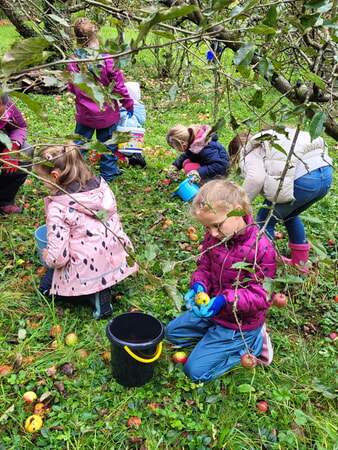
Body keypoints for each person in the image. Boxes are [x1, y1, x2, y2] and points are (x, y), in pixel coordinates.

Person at [166, 180, 277, 383]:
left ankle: (251, 344)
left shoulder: (262, 249)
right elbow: (205, 267)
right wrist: (199, 286)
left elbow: (261, 296)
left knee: (195, 372)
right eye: (208, 228)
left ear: (237, 212)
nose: (213, 233)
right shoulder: (215, 237)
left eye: (217, 226)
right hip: (214, 310)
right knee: (172, 334)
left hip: (238, 323)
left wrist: (223, 300)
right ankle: (213, 338)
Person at [34, 143, 138, 319]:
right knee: (94, 254)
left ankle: (92, 291)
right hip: (115, 253)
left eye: (41, 178)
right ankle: (102, 286)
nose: (41, 182)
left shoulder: (58, 208)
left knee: (45, 290)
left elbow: (59, 257)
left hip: (87, 263)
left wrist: (48, 259)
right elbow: (103, 217)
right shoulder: (101, 188)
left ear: (54, 176)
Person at [228, 127, 333, 272]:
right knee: (290, 215)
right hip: (325, 176)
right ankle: (300, 264)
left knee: (265, 220)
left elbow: (255, 179)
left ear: (235, 155)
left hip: (303, 181)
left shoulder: (249, 150)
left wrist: (239, 206)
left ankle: (266, 266)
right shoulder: (271, 139)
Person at [67, 17, 134, 182]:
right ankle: (108, 174)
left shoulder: (74, 61)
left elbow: (72, 87)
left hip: (85, 114)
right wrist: (129, 104)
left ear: (76, 39)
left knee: (80, 145)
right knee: (108, 145)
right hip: (107, 114)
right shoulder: (108, 59)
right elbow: (118, 87)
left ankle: (72, 172)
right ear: (96, 34)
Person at [0, 92, 34, 215]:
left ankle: (4, 199)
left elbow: (19, 127)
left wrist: (12, 147)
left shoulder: (9, 106)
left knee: (25, 151)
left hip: (2, 138)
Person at [166, 124, 230, 185]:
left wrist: (199, 173)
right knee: (186, 162)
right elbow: (186, 155)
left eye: (176, 148)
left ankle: (205, 185)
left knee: (189, 168)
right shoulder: (193, 141)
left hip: (219, 172)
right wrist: (176, 166)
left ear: (184, 145)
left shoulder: (206, 148)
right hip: (208, 163)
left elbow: (219, 166)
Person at [115, 81, 147, 168]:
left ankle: (129, 160)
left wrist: (127, 151)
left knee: (110, 156)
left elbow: (128, 135)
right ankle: (134, 157)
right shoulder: (137, 112)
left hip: (125, 148)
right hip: (135, 147)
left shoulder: (127, 116)